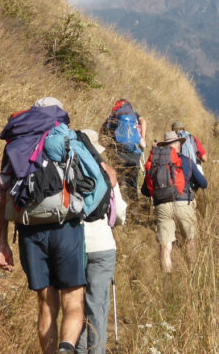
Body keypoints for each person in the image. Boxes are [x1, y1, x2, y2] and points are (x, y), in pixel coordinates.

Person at [0, 97, 84, 354]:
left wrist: (1, 242)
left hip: (29, 230)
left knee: (46, 304)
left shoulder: (16, 141)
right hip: (66, 227)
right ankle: (66, 349)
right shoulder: (66, 137)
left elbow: (2, 196)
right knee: (73, 301)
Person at [75, 129, 127, 354]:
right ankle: (95, 351)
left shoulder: (68, 170)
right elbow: (121, 215)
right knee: (97, 305)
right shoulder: (107, 173)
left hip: (73, 244)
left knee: (75, 305)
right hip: (102, 245)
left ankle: (77, 349)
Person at [142, 132, 208, 273]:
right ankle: (192, 274)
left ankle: (167, 278)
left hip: (162, 205)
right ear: (178, 146)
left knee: (165, 246)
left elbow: (145, 191)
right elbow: (203, 183)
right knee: (189, 240)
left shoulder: (155, 162)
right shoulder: (187, 161)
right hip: (184, 204)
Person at [100, 99, 148, 199]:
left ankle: (121, 207)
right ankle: (134, 208)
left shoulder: (113, 116)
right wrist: (142, 138)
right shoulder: (134, 115)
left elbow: (105, 134)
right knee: (133, 185)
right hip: (134, 153)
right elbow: (143, 121)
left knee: (119, 184)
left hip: (119, 154)